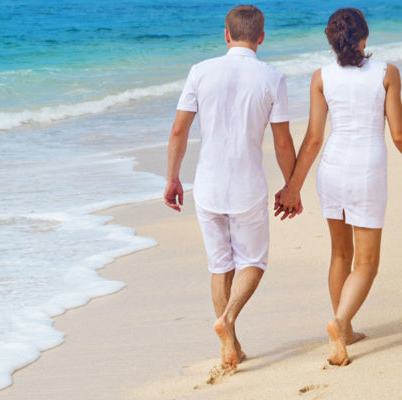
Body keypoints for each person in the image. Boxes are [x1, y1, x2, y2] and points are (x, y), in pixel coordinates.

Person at [163, 4, 299, 370]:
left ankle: (232, 346)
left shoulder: (200, 72)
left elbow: (179, 130)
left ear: (226, 35)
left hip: (207, 185)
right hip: (246, 186)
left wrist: (173, 177)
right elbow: (283, 143)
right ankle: (228, 322)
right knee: (252, 261)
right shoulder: (272, 77)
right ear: (261, 36)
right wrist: (292, 186)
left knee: (219, 264)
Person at [276, 8, 402, 366]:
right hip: (366, 170)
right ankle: (341, 321)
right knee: (367, 262)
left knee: (340, 254)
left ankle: (343, 333)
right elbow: (398, 133)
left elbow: (314, 138)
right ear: (364, 36)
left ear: (332, 41)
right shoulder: (387, 72)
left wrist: (293, 187)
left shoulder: (321, 76)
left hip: (331, 169)